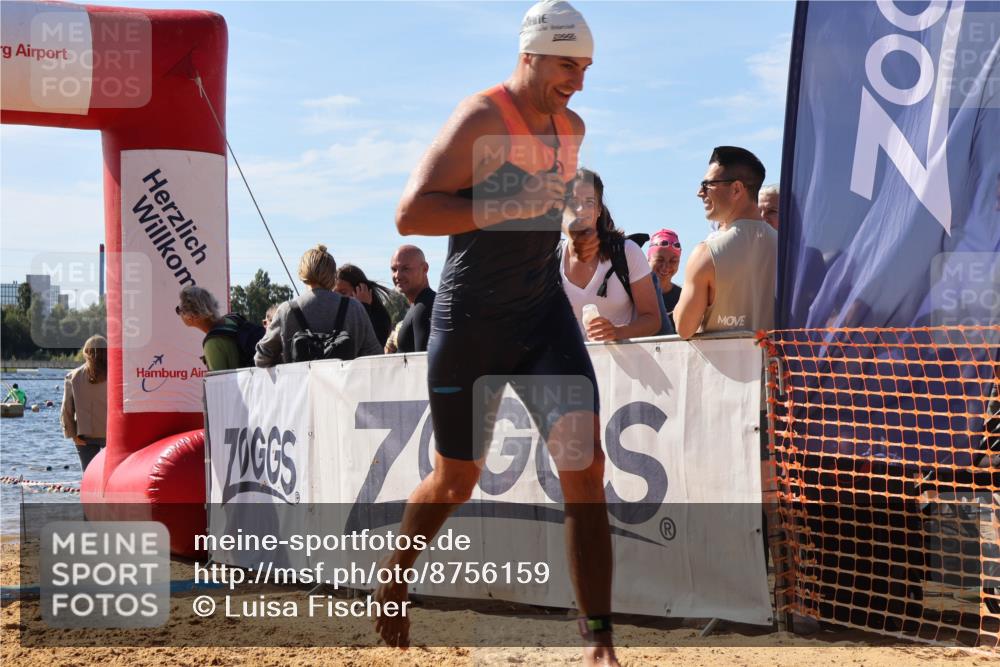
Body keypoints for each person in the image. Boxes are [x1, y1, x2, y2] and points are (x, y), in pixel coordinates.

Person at [379, 2, 619, 664]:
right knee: (457, 480)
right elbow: (411, 213)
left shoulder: (571, 125)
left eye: (586, 67)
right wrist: (510, 203)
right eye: (568, 65)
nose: (578, 80)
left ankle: (598, 637)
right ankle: (397, 569)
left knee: (585, 465)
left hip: (540, 317)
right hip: (471, 323)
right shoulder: (479, 117)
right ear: (531, 55)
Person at [674, 146, 777, 338]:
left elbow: (684, 328)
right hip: (779, 365)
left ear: (736, 189)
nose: (700, 192)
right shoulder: (789, 250)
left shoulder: (707, 253)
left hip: (722, 366)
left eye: (707, 184)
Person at [560, 169, 661, 341]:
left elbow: (653, 320)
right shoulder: (550, 259)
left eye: (589, 202)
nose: (580, 209)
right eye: (573, 202)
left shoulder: (627, 252)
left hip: (621, 367)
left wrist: (617, 332)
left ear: (599, 210)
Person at [255, 245, 382, 366]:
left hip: (302, 388)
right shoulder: (355, 308)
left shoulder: (287, 311)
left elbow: (261, 358)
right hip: (344, 387)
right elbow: (375, 355)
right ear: (333, 275)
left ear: (301, 272)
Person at [61, 335, 108, 472]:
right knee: (111, 476)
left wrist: (73, 435)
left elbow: (66, 410)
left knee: (88, 475)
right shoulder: (117, 374)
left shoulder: (72, 376)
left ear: (86, 352)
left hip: (84, 436)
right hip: (111, 434)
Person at [176, 286, 243, 371]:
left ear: (192, 316)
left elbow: (218, 383)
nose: (179, 313)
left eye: (179, 310)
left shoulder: (212, 343)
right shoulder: (231, 320)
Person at [390, 245, 435, 353]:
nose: (398, 275)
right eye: (394, 269)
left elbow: (423, 362)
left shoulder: (424, 308)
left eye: (405, 268)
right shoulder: (419, 305)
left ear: (424, 269)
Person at [335, 263, 394, 347]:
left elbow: (372, 344)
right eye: (334, 293)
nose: (337, 298)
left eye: (343, 292)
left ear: (360, 289)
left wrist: (363, 307)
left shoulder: (379, 317)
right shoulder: (335, 315)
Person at [647, 229, 683, 334]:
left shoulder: (683, 297)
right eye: (659, 260)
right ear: (648, 259)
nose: (665, 266)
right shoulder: (637, 293)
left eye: (673, 261)